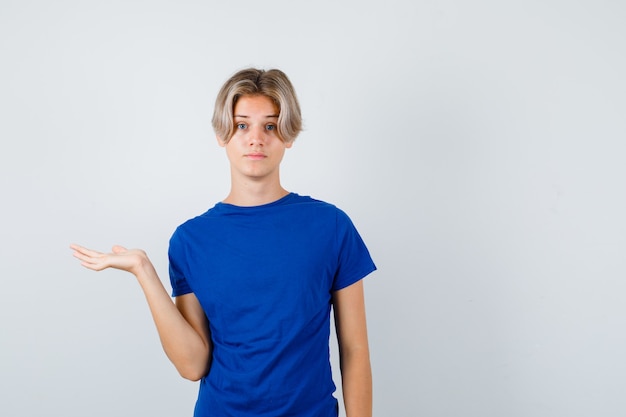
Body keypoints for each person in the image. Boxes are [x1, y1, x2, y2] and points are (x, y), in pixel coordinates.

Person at [71, 68, 376, 417]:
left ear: (288, 135)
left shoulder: (331, 226)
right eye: (242, 125)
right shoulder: (191, 240)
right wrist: (144, 271)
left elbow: (354, 349)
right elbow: (193, 365)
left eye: (271, 126)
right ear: (222, 134)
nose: (256, 138)